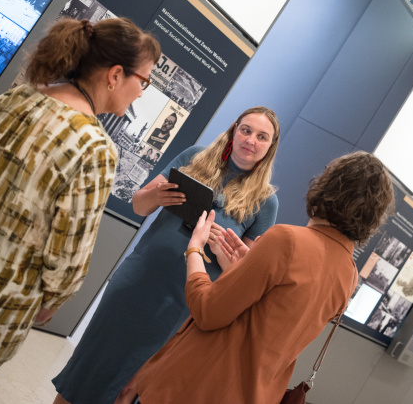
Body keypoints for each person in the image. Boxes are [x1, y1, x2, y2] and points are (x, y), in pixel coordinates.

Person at [0, 17, 161, 403]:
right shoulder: (95, 149)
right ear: (115, 75)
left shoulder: (17, 98)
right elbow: (68, 253)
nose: (141, 93)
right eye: (144, 81)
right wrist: (53, 302)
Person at [52, 106, 281, 404]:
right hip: (138, 281)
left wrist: (217, 247)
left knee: (129, 389)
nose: (251, 140)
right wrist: (156, 196)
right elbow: (139, 205)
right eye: (246, 130)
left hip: (183, 306)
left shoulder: (266, 201)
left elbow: (239, 273)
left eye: (262, 136)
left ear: (270, 146)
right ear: (234, 131)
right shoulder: (195, 156)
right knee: (86, 370)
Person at [130, 151, 395, 403]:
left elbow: (207, 311)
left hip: (197, 388)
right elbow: (272, 321)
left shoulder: (287, 240)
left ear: (327, 187)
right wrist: (244, 268)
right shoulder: (348, 274)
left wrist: (194, 250)